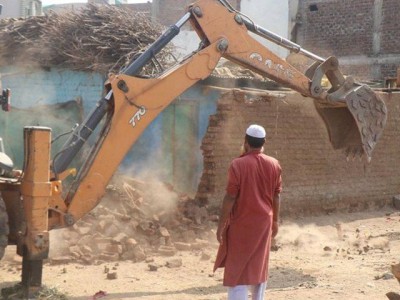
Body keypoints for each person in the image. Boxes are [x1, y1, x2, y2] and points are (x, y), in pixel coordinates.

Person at [213, 124, 282, 300]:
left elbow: (230, 197)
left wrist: (221, 225)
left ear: (245, 142)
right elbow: (276, 196)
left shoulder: (238, 164)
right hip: (264, 224)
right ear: (263, 142)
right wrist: (275, 221)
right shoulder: (274, 164)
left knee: (238, 266)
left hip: (242, 224)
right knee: (259, 264)